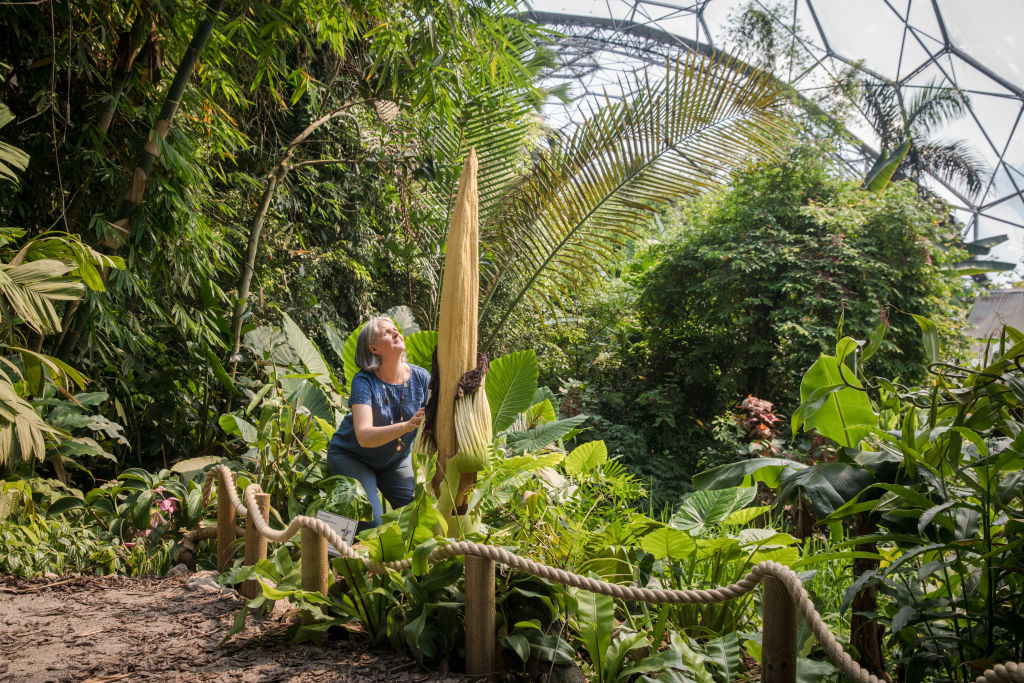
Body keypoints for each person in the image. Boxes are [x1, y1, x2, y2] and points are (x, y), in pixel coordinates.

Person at [327, 316, 428, 529]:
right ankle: (331, 554)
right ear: (374, 349)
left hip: (395, 460)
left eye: (395, 329)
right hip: (352, 456)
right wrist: (407, 426)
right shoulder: (364, 381)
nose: (395, 333)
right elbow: (363, 436)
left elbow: (437, 424)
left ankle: (402, 563)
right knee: (370, 522)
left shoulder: (421, 378)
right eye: (386, 332)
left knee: (419, 513)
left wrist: (426, 474)